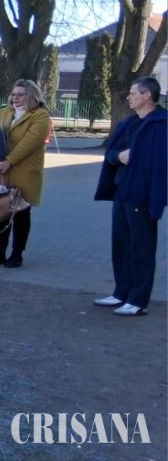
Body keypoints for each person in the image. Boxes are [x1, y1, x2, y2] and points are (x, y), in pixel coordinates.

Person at [93, 77, 166, 316]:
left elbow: (161, 166)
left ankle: (138, 300)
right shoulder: (129, 123)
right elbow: (111, 153)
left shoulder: (161, 125)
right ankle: (121, 292)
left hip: (142, 197)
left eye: (133, 93)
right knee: (121, 246)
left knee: (141, 249)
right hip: (122, 193)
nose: (129, 97)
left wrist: (156, 200)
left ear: (147, 95)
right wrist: (119, 157)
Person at [0, 79, 51, 268]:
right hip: (2, 172)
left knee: (20, 214)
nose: (15, 98)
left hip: (24, 173)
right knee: (1, 212)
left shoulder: (40, 116)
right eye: (13, 94)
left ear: (31, 96)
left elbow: (29, 143)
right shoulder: (5, 112)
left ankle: (17, 254)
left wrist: (9, 161)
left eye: (20, 94)